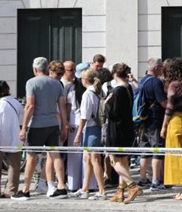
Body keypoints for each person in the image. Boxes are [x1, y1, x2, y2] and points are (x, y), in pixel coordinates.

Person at [14, 57, 69, 200]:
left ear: (34, 69)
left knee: (32, 156)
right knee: (55, 154)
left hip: (37, 124)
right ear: (46, 69)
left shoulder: (31, 82)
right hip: (53, 124)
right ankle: (61, 187)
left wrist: (24, 127)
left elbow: (30, 106)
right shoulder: (57, 84)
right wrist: (64, 125)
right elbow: (62, 106)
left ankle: (25, 190)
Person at [102, 63, 140, 203]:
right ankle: (120, 190)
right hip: (127, 126)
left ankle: (132, 185)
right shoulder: (128, 87)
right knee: (123, 160)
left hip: (116, 128)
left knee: (114, 160)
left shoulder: (118, 91)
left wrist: (106, 103)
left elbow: (113, 113)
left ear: (115, 74)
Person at [161, 58, 182, 200]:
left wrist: (163, 126)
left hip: (176, 121)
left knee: (177, 157)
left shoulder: (173, 85)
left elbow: (169, 107)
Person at [71, 68, 106, 200]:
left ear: (84, 79)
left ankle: (101, 190)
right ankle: (85, 188)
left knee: (94, 160)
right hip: (96, 127)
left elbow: (84, 116)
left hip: (91, 129)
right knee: (88, 159)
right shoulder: (98, 92)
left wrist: (78, 134)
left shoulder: (88, 94)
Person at [0, 81, 21, 200]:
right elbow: (21, 120)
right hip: (15, 137)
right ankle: (11, 190)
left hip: (0, 138)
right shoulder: (16, 102)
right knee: (14, 166)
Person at [137, 58, 168, 190]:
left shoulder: (142, 81)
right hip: (155, 120)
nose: (162, 69)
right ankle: (156, 181)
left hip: (143, 120)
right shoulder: (156, 82)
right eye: (161, 67)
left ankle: (143, 179)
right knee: (157, 150)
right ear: (156, 68)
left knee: (145, 150)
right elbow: (163, 102)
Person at [62, 61, 84, 192]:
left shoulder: (76, 86)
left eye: (73, 70)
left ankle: (75, 183)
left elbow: (68, 106)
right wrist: (65, 123)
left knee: (76, 156)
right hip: (68, 123)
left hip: (73, 124)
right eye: (70, 70)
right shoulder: (64, 85)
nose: (72, 72)